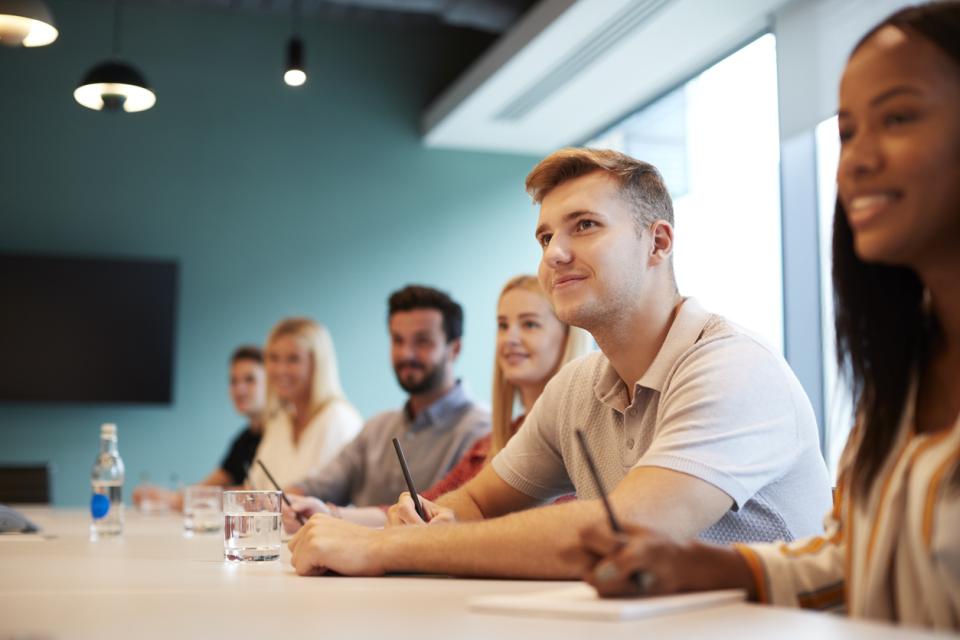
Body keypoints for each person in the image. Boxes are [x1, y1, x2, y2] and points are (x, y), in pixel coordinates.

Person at [575, 4, 960, 630]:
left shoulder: (730, 364)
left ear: (658, 243)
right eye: (848, 132)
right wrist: (712, 567)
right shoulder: (905, 369)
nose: (857, 160)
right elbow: (854, 558)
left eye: (898, 117)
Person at [287, 148, 832, 578]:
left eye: (585, 226)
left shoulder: (733, 368)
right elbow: (476, 499)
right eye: (546, 236)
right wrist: (431, 518)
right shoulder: (577, 385)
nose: (554, 253)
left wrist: (394, 548)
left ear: (658, 243)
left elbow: (625, 529)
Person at [281, 286, 490, 529]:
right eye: (397, 340)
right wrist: (285, 501)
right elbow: (319, 485)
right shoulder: (378, 427)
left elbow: (445, 512)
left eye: (422, 341)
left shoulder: (481, 431)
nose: (406, 353)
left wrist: (333, 514)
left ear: (454, 349)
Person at [133, 345, 266, 511]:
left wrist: (177, 500)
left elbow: (256, 495)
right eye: (233, 381)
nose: (239, 389)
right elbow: (208, 486)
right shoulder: (243, 440)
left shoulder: (278, 438)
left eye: (249, 379)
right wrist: (167, 496)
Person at [246, 318, 362, 490]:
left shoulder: (338, 419)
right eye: (274, 358)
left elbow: (332, 495)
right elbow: (253, 490)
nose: (280, 370)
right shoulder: (279, 421)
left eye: (293, 359)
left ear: (317, 364)